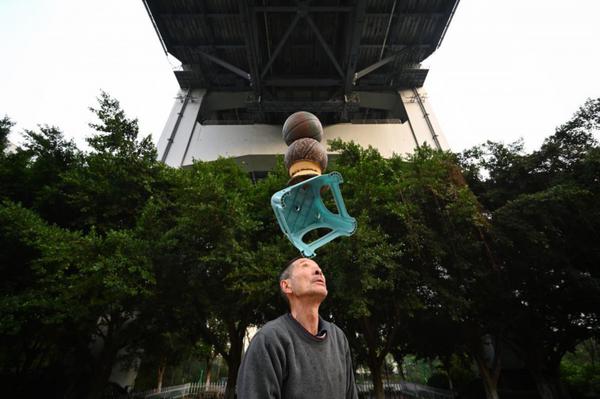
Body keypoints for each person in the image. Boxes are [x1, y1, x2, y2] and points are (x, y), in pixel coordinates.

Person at [236, 257, 358, 399]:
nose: (319, 271)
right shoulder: (270, 340)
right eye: (305, 266)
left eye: (320, 269)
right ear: (287, 286)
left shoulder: (338, 338)